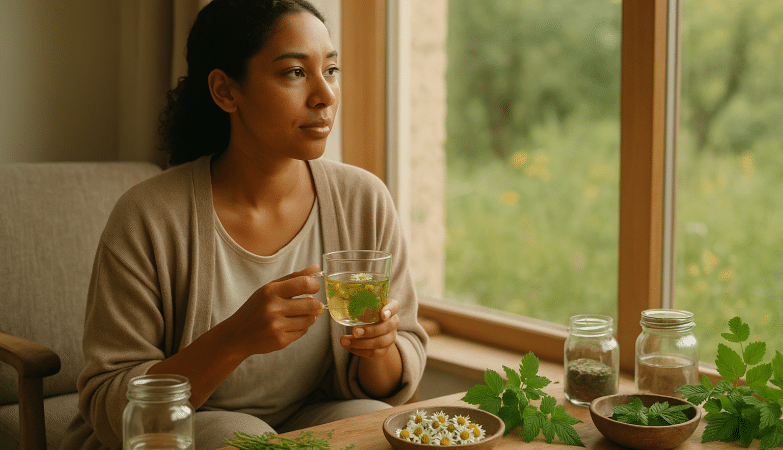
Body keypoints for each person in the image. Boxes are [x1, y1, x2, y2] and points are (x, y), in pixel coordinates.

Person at [60, 0, 428, 448]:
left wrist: (379, 345)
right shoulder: (149, 217)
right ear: (225, 91)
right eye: (295, 72)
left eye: (330, 70)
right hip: (186, 426)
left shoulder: (363, 199)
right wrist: (233, 338)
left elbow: (387, 387)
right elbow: (109, 402)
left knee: (378, 426)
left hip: (313, 409)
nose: (325, 95)